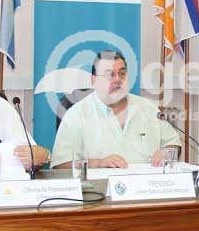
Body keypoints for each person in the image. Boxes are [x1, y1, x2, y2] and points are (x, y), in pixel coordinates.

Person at [51, 50, 181, 169]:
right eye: (110, 75)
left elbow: (173, 143)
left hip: (147, 185)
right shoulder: (76, 114)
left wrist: (166, 153)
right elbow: (61, 166)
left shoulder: (148, 108)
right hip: (98, 186)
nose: (118, 79)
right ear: (93, 80)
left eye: (122, 74)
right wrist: (98, 163)